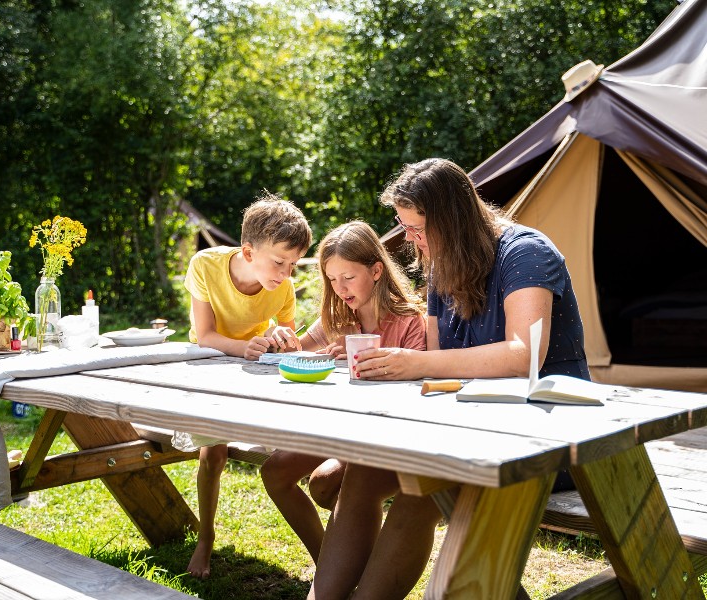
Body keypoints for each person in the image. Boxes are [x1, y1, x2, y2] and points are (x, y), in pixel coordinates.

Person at [309, 158, 590, 599]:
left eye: (417, 229)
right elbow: (442, 364)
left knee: (421, 486)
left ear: (451, 219)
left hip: (551, 437)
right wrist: (390, 369)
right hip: (473, 429)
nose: (410, 241)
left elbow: (524, 356)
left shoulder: (526, 253)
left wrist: (415, 363)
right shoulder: (441, 266)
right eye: (405, 229)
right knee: (362, 472)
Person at [260, 221, 426, 563]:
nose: (340, 289)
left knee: (324, 483)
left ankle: (348, 567)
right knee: (275, 471)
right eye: (332, 280)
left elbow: (420, 390)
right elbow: (294, 353)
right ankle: (330, 564)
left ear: (376, 270)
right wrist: (282, 344)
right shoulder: (337, 316)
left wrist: (375, 368)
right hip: (342, 428)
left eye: (348, 278)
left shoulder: (409, 321)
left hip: (389, 433)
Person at [182, 192, 312, 578]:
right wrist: (244, 347)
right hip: (210, 365)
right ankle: (205, 538)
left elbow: (291, 337)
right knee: (214, 456)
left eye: (293, 265)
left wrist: (286, 340)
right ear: (248, 251)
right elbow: (204, 335)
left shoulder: (283, 288)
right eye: (279, 262)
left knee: (285, 453)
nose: (286, 274)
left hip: (255, 370)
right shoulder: (205, 265)